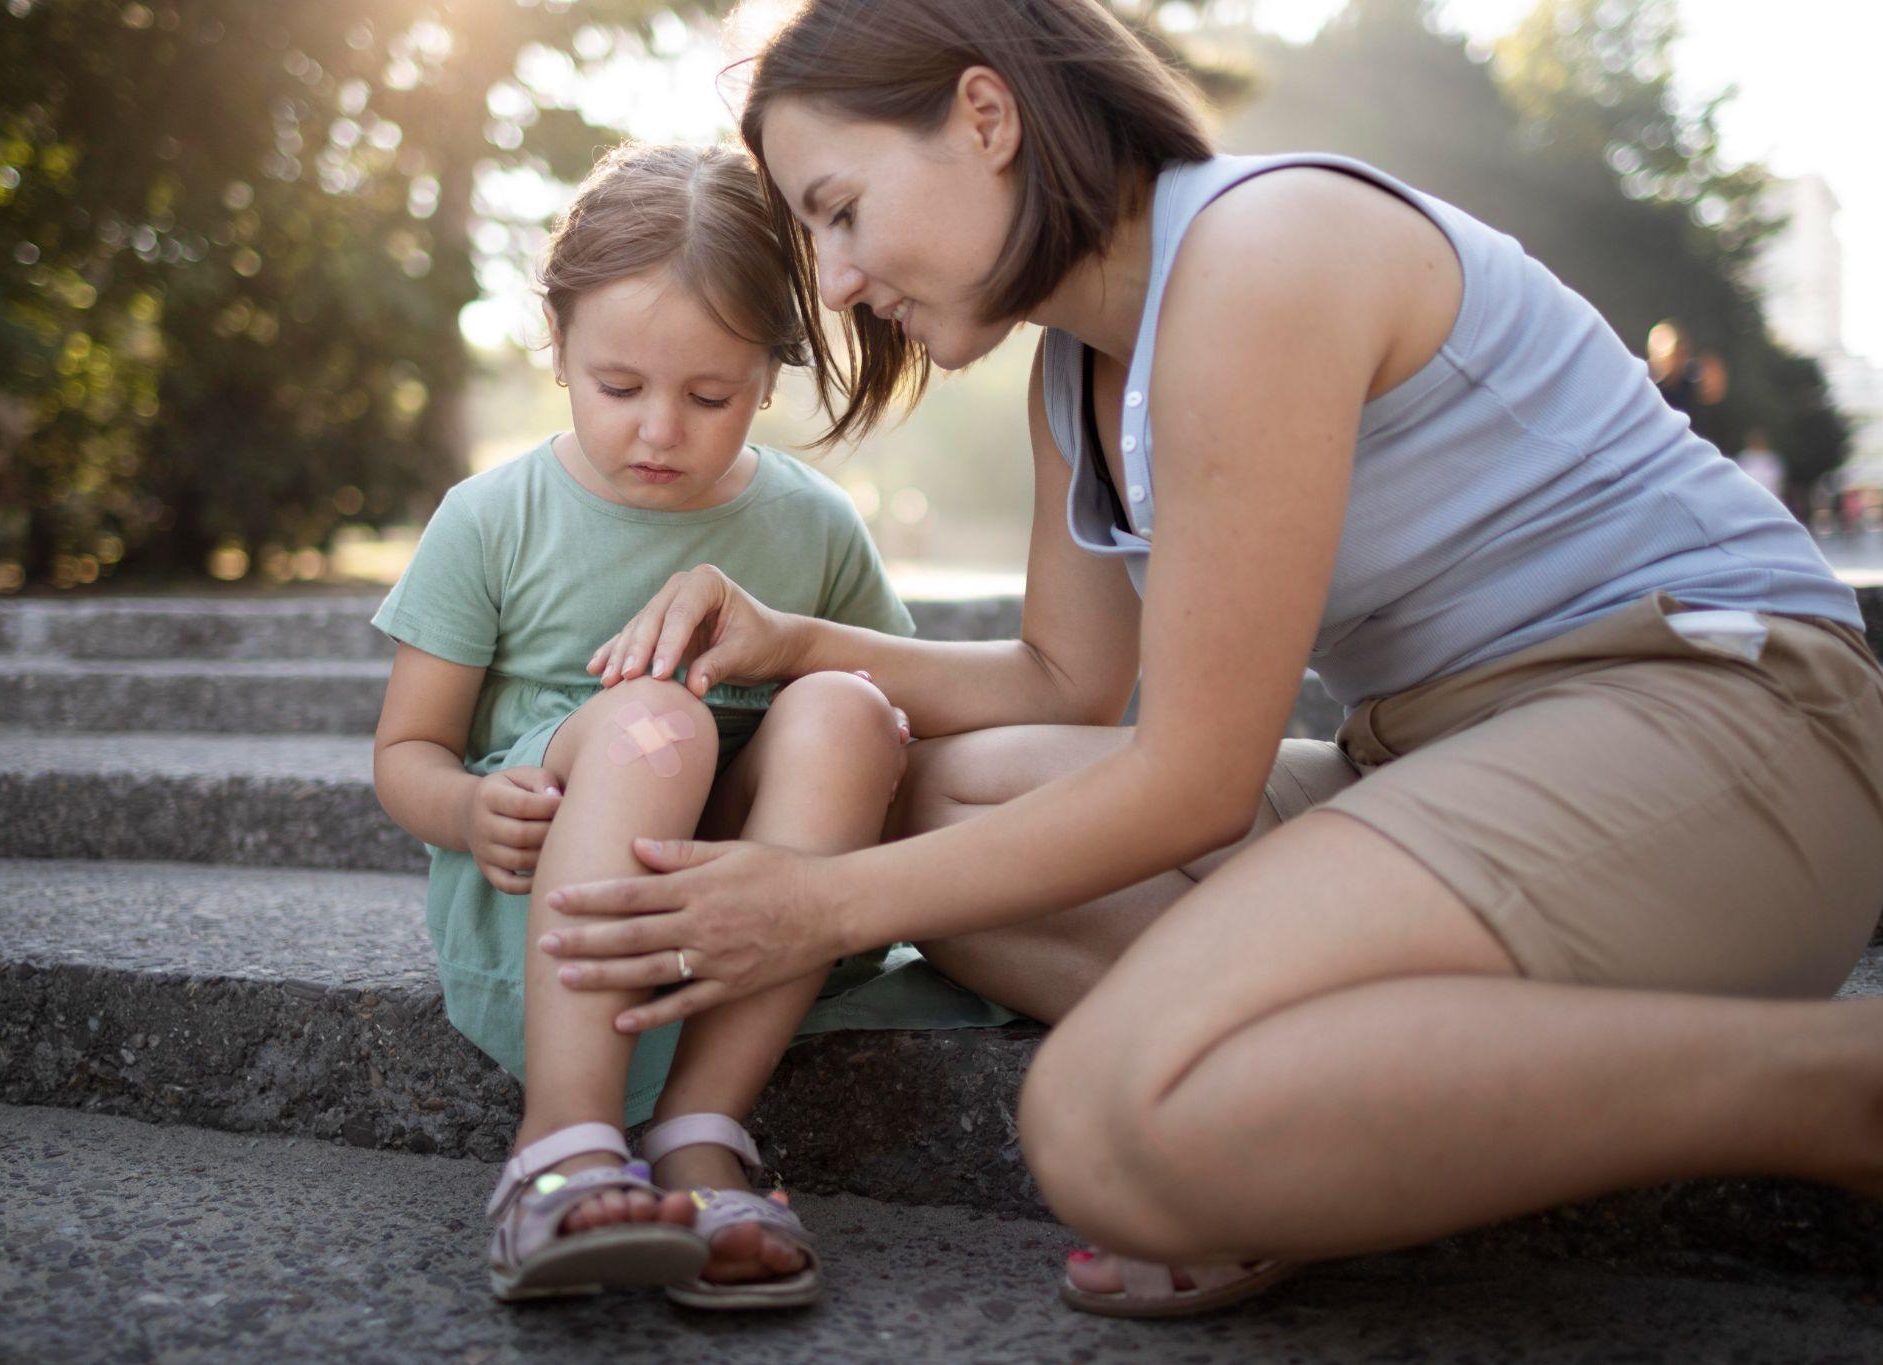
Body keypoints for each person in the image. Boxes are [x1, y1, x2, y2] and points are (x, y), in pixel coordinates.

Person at [539, 0, 1883, 1320]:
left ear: (986, 115)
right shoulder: (1080, 367)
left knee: (1109, 1128)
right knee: (923, 787)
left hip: (1725, 732)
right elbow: (1068, 689)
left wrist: (818, 905)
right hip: (1446, 760)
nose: (831, 279)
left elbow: (1192, 782)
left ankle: (1839, 1082)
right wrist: (799, 641)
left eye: (837, 207)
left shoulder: (1261, 253)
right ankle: (1308, 1128)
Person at [369, 141, 1002, 1310]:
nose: (659, 429)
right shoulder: (492, 520)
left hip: (758, 923)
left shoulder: (809, 522)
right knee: (652, 720)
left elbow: (909, 697)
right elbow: (404, 754)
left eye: (708, 396)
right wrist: (465, 805)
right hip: (557, 912)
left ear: (768, 375)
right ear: (555, 347)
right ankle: (559, 1144)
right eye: (620, 387)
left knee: (851, 711)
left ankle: (703, 1132)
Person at [1734, 430, 1789, 510]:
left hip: (1771, 497)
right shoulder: (1743, 457)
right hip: (1747, 498)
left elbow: (1778, 480)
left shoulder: (1772, 458)